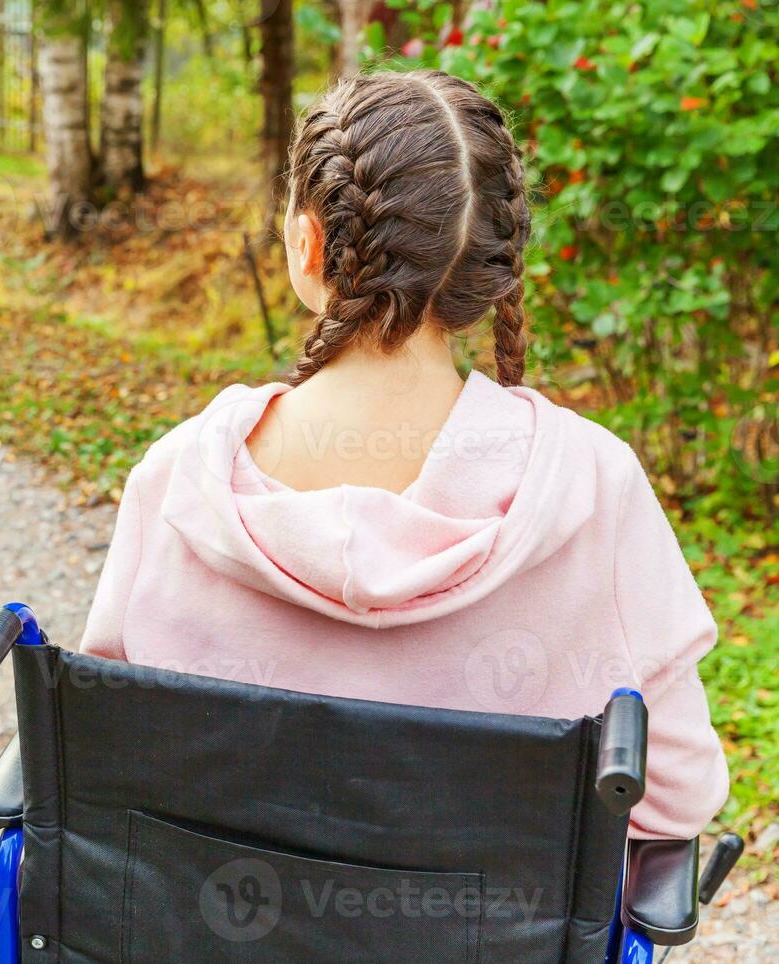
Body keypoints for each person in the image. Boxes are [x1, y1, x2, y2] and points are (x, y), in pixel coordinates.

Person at [78, 70, 728, 841]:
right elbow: (681, 796)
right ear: (497, 261)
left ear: (305, 243)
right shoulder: (595, 486)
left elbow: (107, 761)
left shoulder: (176, 481)